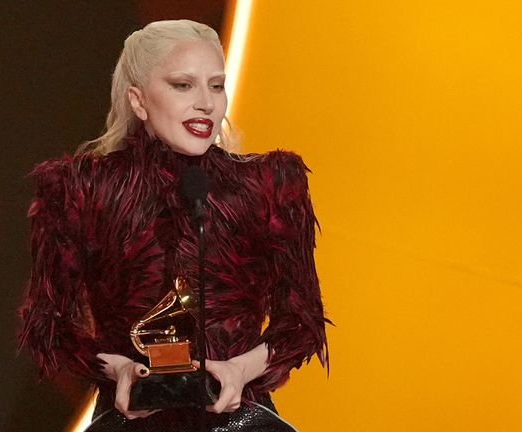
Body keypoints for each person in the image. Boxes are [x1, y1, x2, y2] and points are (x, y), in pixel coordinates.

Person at [18, 19, 330, 431]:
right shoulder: (82, 190)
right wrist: (121, 372)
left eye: (216, 86)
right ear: (139, 100)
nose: (206, 103)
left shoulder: (268, 185)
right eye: (183, 85)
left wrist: (239, 370)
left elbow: (301, 321)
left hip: (239, 420)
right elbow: (50, 325)